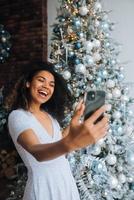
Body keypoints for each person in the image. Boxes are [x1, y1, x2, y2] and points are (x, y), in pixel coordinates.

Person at [5, 61, 108, 200]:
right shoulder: (17, 116)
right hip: (43, 188)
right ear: (28, 83)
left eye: (51, 84)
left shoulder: (50, 117)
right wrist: (72, 143)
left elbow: (56, 144)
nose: (46, 86)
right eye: (41, 80)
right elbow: (37, 152)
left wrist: (75, 119)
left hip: (66, 183)